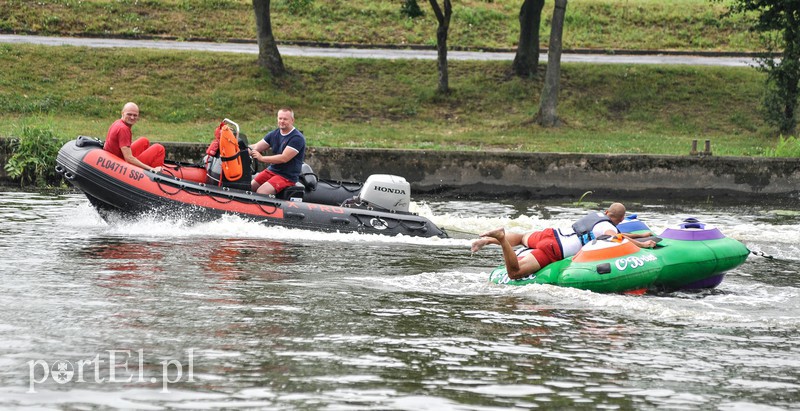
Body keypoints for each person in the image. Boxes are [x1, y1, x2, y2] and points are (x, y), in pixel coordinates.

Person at [471, 203, 657, 280]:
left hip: (551, 234)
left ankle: (486, 241)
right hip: (555, 249)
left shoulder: (597, 217)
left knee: (521, 238)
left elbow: (614, 233)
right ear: (621, 219)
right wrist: (643, 244)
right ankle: (501, 238)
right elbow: (616, 237)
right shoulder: (608, 227)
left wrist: (638, 235)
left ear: (607, 212)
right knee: (515, 272)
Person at [248, 107, 306, 195]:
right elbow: (256, 146)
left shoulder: (297, 138)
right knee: (250, 187)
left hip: (286, 176)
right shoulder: (274, 134)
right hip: (272, 170)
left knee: (262, 192)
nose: (282, 121)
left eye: (285, 119)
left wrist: (262, 158)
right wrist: (239, 149)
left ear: (292, 120)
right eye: (280, 118)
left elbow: (284, 158)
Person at [103, 102, 165, 173]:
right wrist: (151, 169)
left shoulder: (118, 122)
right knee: (159, 148)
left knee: (144, 141)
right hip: (120, 163)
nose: (132, 117)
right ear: (122, 113)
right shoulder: (123, 129)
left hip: (115, 157)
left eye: (135, 115)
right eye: (129, 114)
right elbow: (128, 158)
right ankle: (156, 175)